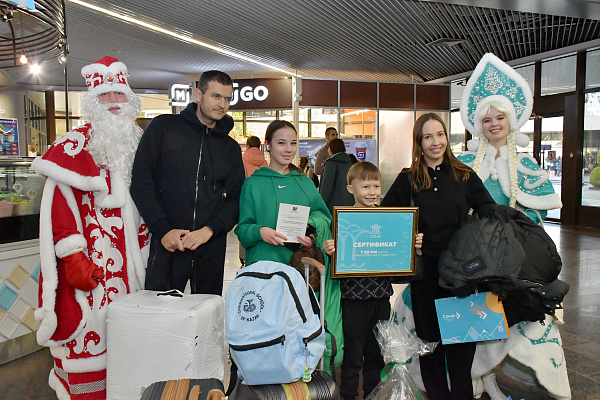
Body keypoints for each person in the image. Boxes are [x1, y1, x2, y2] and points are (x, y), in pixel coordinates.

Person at [33, 56, 149, 399]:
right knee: (91, 344)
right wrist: (73, 258)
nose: (114, 103)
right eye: (105, 96)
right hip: (93, 272)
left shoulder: (138, 144)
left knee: (134, 351)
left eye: (119, 95)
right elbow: (57, 206)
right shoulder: (71, 147)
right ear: (91, 101)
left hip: (136, 271)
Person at [457, 53, 567, 400]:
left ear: (511, 119)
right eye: (486, 119)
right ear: (478, 123)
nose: (493, 124)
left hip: (516, 264)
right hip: (475, 261)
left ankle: (522, 380)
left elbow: (538, 219)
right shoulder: (462, 164)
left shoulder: (529, 164)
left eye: (499, 117)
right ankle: (476, 380)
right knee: (473, 325)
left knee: (523, 324)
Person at [381, 113, 496, 400]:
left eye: (440, 135)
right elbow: (385, 221)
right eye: (428, 136)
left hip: (461, 278)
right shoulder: (407, 180)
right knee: (431, 347)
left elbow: (490, 214)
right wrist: (410, 238)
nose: (436, 142)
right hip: (427, 278)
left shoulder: (464, 176)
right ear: (419, 142)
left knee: (460, 350)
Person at [234, 119, 344, 377]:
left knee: (299, 334)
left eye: (293, 143)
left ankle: (300, 383)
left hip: (301, 276)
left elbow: (323, 216)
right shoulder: (253, 183)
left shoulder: (304, 182)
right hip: (266, 274)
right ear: (268, 145)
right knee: (268, 335)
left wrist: (310, 231)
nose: (288, 149)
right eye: (281, 143)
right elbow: (242, 228)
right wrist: (260, 232)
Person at [131, 70, 245, 295]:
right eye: (216, 96)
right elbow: (141, 182)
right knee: (160, 315)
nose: (222, 104)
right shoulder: (163, 128)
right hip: (168, 243)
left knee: (206, 317)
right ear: (198, 95)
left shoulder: (230, 149)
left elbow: (236, 198)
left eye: (227, 98)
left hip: (210, 246)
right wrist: (163, 229)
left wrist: (210, 230)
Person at [322, 161, 423, 400]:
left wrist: (413, 244)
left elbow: (398, 249)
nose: (372, 192)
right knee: (353, 356)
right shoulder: (343, 221)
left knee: (377, 355)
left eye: (376, 186)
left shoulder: (390, 218)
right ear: (351, 189)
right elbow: (336, 252)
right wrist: (330, 248)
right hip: (353, 300)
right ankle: (347, 396)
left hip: (380, 297)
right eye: (365, 186)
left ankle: (372, 395)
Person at [319, 138, 355, 214]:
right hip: (350, 204)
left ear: (332, 149)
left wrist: (321, 206)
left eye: (329, 148)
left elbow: (327, 187)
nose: (328, 150)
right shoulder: (350, 162)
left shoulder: (331, 163)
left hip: (334, 207)